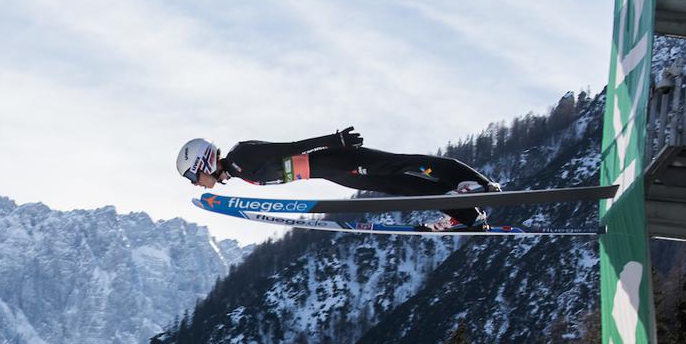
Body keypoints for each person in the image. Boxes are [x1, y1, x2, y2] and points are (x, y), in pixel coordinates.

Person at [176, 127, 500, 231]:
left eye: (193, 175)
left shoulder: (242, 156)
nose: (195, 182)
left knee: (402, 166)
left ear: (203, 162)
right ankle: (466, 214)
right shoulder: (238, 171)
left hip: (338, 161)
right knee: (400, 187)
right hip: (337, 175)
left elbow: (291, 148)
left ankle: (472, 183)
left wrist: (335, 140)